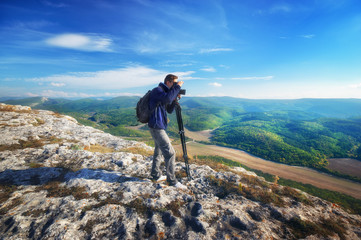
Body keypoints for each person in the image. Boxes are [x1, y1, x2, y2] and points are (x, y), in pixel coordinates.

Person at [148, 74, 187, 189]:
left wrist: (175, 99)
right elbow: (167, 98)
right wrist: (177, 88)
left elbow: (169, 110)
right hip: (157, 127)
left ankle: (155, 175)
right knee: (170, 153)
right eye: (175, 83)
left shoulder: (164, 93)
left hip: (157, 126)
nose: (176, 85)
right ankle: (172, 181)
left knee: (159, 150)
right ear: (168, 82)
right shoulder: (157, 91)